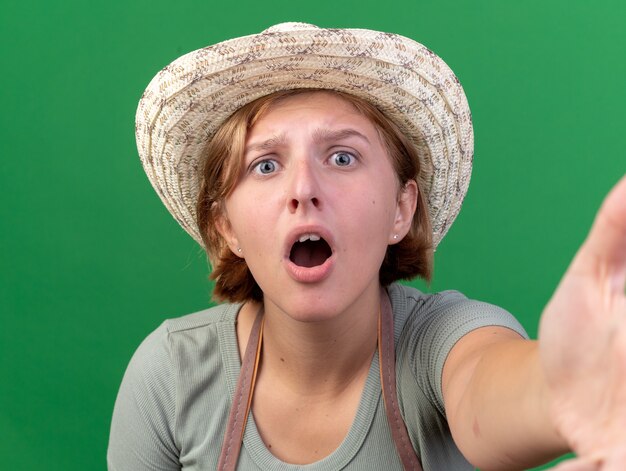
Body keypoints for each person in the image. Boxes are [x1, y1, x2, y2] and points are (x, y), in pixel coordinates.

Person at [108, 22, 626, 471]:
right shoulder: (169, 376)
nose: (303, 187)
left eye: (342, 158)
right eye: (265, 165)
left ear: (401, 210)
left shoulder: (439, 342)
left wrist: (564, 386)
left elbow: (486, 390)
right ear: (227, 228)